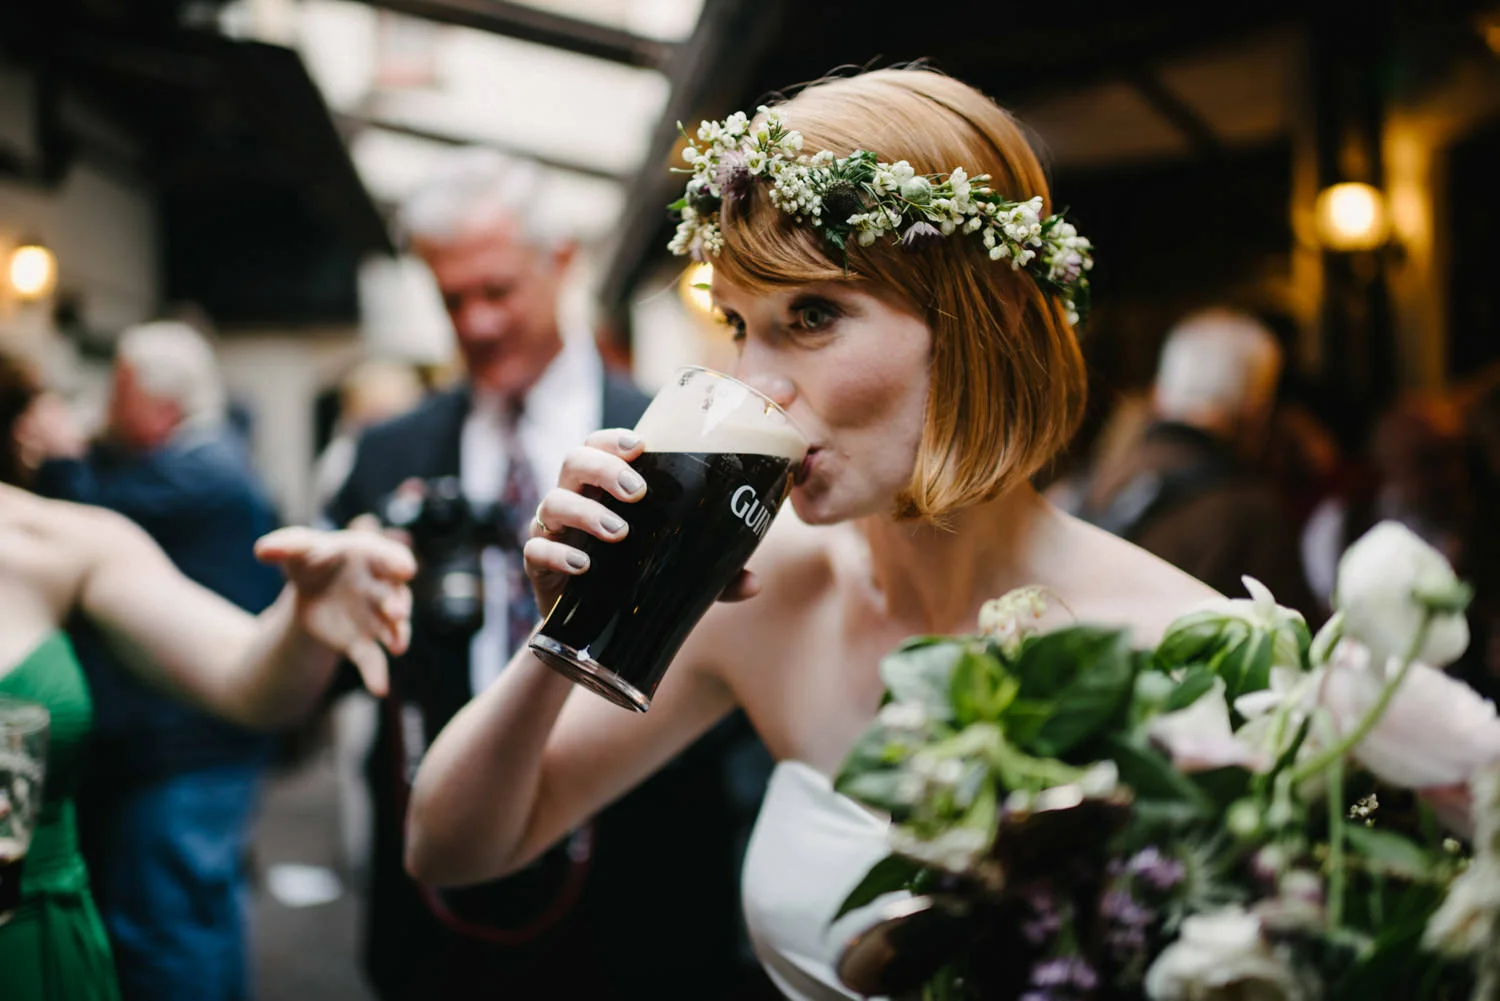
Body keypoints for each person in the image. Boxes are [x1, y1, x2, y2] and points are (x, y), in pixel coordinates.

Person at [403, 68, 1230, 1001]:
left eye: (813, 315)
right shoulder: (768, 592)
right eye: (736, 324)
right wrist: (566, 632)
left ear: (982, 318)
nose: (755, 382)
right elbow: (453, 846)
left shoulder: (1183, 651)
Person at [325, 149, 762, 1000]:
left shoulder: (677, 438)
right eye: (453, 300)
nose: (477, 323)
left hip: (642, 889)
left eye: (497, 291)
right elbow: (353, 673)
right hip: (437, 901)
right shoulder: (388, 453)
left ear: (561, 262)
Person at [0, 349, 413, 1001]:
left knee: (181, 927)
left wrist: (305, 622)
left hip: (47, 927)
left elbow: (249, 676)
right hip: (175, 752)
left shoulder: (77, 529)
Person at [25, 321, 284, 1001]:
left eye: (118, 390)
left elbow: (85, 520)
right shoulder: (206, 458)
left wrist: (56, 456)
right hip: (197, 743)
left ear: (157, 400)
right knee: (192, 920)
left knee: (170, 934)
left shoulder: (195, 473)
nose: (107, 407)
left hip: (186, 751)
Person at [1074, 308, 1317, 621]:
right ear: (1255, 404)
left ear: (1160, 392)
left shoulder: (1090, 484)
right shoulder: (1252, 515)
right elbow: (1292, 651)